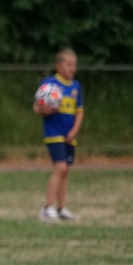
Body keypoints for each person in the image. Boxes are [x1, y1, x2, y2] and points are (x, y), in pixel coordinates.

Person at [34, 48, 84, 222]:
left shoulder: (76, 87)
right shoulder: (49, 84)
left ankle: (61, 208)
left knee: (65, 171)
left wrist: (75, 130)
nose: (72, 68)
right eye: (68, 64)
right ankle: (47, 208)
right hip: (53, 133)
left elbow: (79, 111)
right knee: (60, 167)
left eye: (74, 65)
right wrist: (42, 110)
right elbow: (36, 107)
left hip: (69, 135)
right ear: (58, 65)